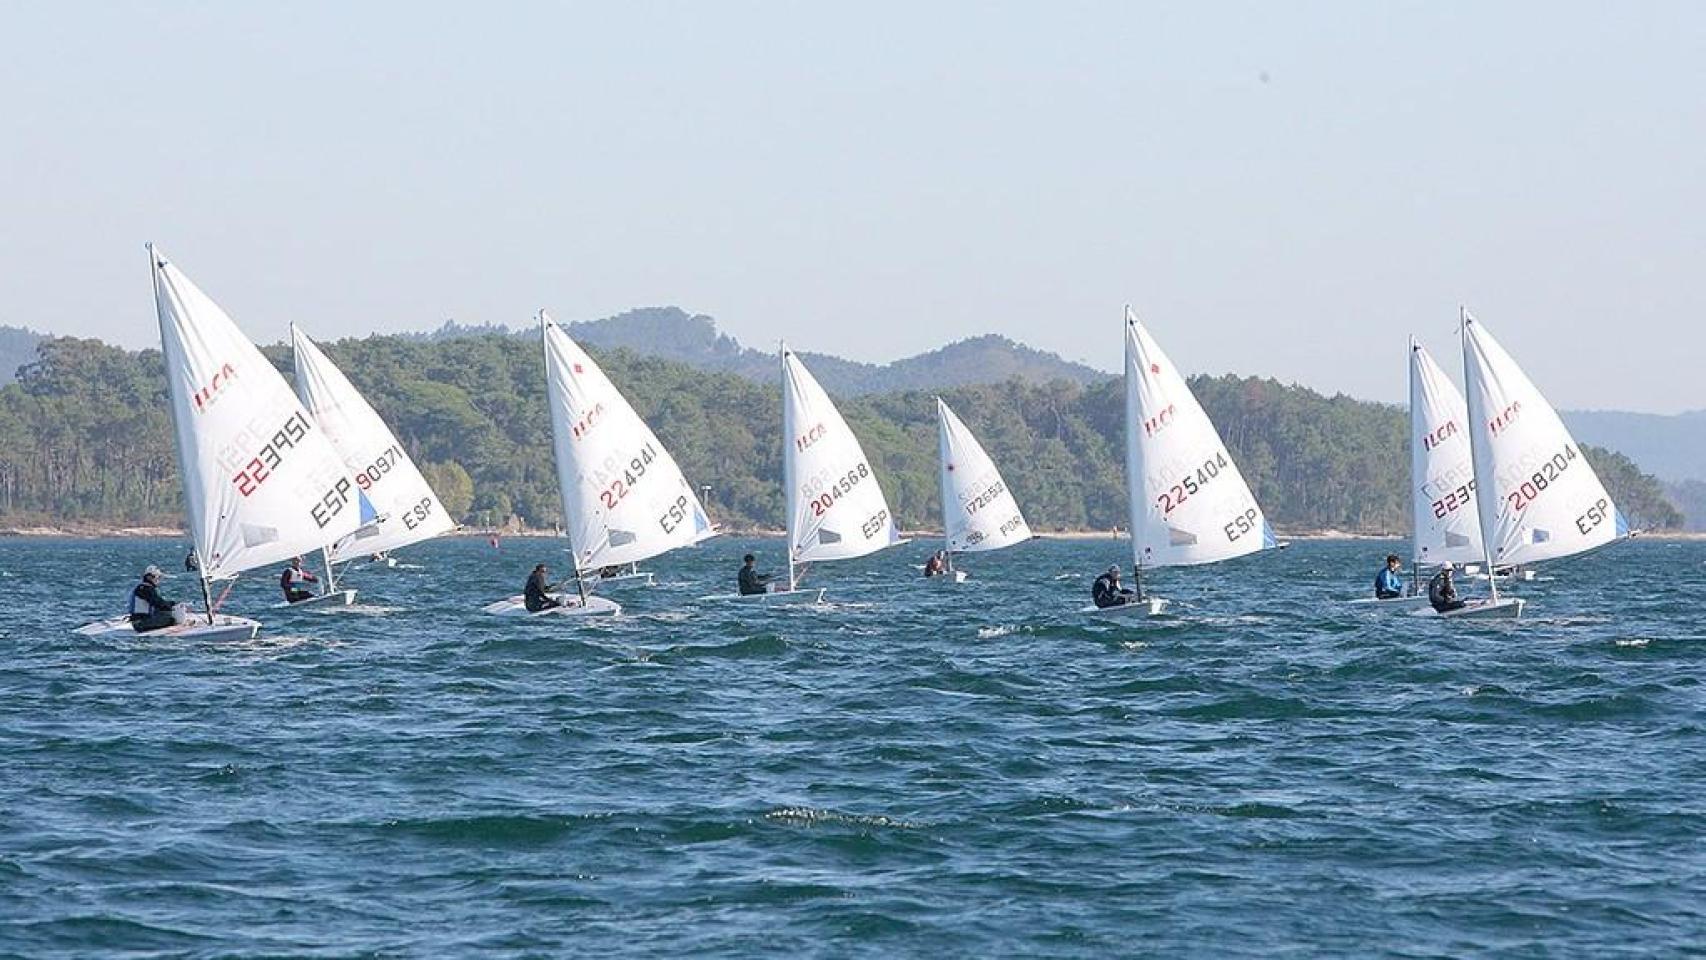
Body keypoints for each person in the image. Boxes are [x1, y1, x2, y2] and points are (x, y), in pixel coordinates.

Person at [129, 565, 183, 633]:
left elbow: (158, 603)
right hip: (141, 623)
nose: (159, 580)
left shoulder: (144, 587)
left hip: (140, 621)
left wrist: (172, 604)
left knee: (165, 612)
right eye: (158, 577)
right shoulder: (145, 589)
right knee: (170, 619)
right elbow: (158, 603)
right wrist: (172, 606)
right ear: (149, 577)